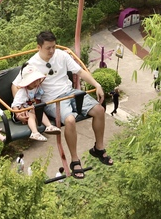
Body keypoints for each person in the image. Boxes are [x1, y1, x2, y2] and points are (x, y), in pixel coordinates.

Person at [24, 30, 112, 179]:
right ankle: (75, 160)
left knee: (99, 110)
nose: (52, 51)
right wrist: (17, 106)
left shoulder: (62, 55)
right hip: (53, 100)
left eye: (53, 46)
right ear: (39, 47)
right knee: (70, 120)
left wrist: (97, 84)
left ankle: (99, 148)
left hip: (70, 92)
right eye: (48, 48)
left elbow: (80, 71)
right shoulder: (32, 64)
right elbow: (17, 85)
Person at [11, 65, 61, 142]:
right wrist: (18, 115)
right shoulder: (22, 92)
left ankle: (49, 126)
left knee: (38, 110)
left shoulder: (37, 87)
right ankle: (35, 132)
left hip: (32, 108)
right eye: (33, 81)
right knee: (31, 114)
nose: (36, 83)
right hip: (21, 112)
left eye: (37, 80)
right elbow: (15, 105)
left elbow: (38, 98)